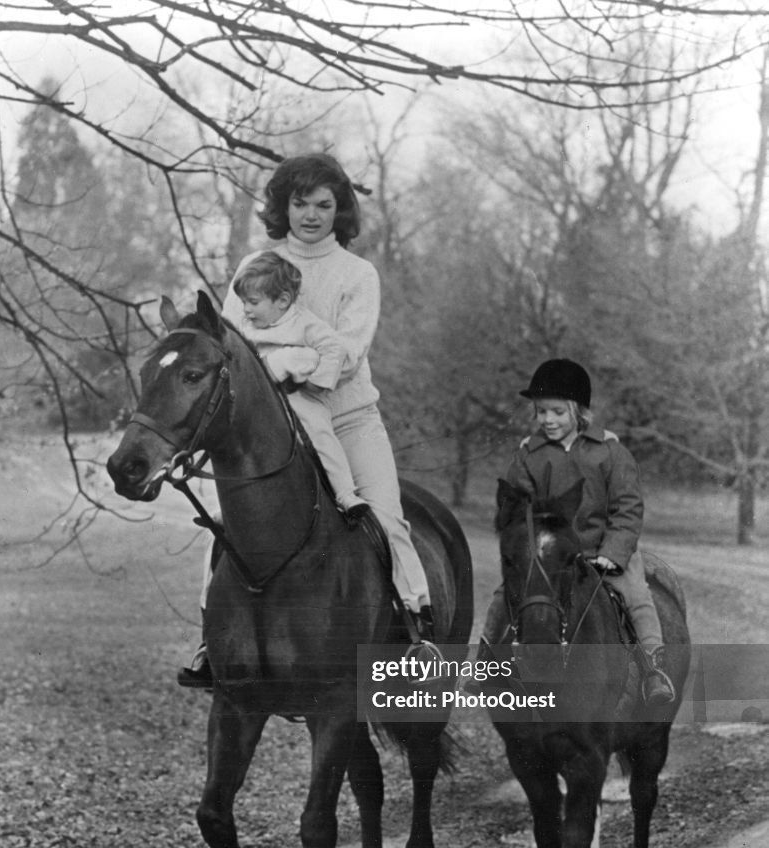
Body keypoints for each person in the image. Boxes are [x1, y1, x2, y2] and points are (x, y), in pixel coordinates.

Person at [179, 153, 435, 686]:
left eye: (325, 204)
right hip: (272, 431)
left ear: (340, 210)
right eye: (301, 203)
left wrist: (276, 365)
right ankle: (213, 643)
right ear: (283, 205)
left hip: (347, 420)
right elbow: (228, 344)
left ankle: (416, 630)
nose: (312, 215)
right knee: (223, 528)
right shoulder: (255, 266)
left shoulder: (358, 274)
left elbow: (349, 351)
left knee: (385, 519)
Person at [479, 358, 675, 708]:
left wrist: (613, 555)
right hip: (550, 556)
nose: (548, 420)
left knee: (637, 596)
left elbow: (627, 508)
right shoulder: (529, 455)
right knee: (501, 598)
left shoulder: (611, 453)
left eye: (557, 412)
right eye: (541, 412)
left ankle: (653, 669)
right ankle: (484, 663)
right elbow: (518, 510)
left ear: (578, 411)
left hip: (603, 550)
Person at [231, 250, 363, 513]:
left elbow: (334, 349)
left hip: (297, 396)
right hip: (262, 401)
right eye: (244, 302)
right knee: (240, 445)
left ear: (282, 300)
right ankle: (234, 506)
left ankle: (346, 493)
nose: (246, 309)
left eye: (253, 302)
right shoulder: (247, 325)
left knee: (319, 435)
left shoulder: (304, 323)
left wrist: (318, 382)